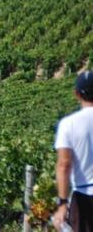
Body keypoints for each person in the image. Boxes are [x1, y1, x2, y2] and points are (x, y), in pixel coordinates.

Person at [52, 71, 93, 231]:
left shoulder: (68, 124)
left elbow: (64, 164)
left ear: (76, 94)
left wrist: (62, 203)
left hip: (83, 196)